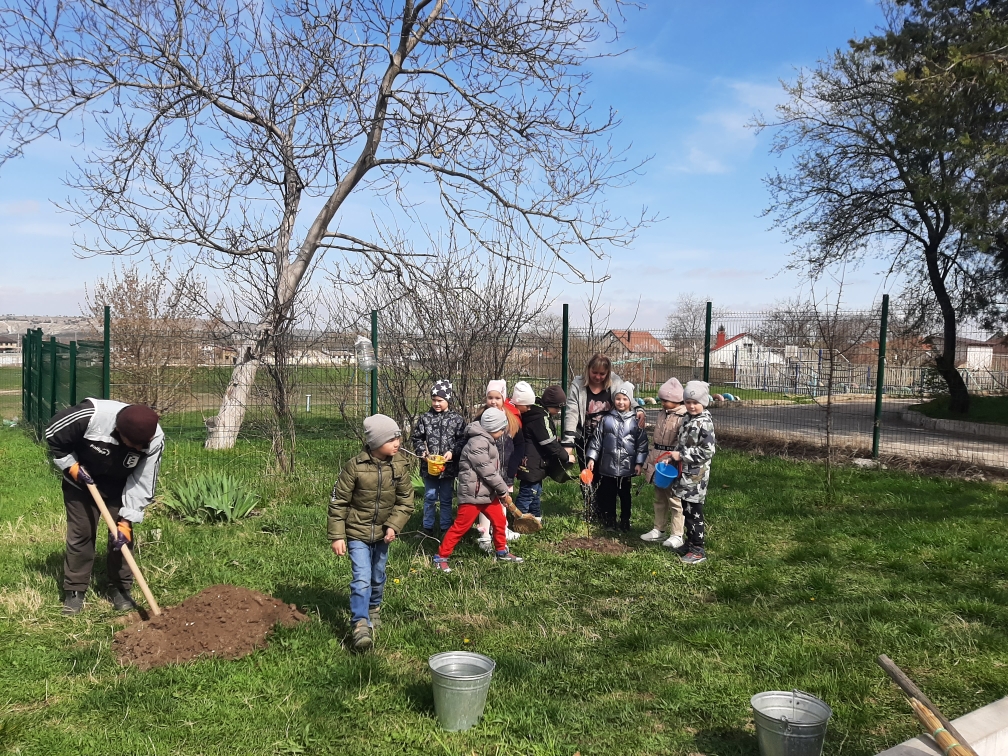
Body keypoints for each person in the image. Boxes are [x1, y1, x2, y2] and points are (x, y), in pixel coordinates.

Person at [44, 399, 164, 616]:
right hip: (81, 481)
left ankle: (120, 589)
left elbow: (144, 480)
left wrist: (127, 521)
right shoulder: (90, 417)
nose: (138, 449)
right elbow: (54, 434)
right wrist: (70, 465)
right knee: (81, 533)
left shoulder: (153, 438)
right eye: (133, 444)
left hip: (121, 485)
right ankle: (75, 590)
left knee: (121, 538)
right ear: (118, 431)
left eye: (142, 445)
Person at [328, 414, 414, 651]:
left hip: (384, 534)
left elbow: (406, 501)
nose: (397, 442)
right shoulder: (355, 467)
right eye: (391, 438)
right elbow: (338, 502)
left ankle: (374, 608)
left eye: (398, 436)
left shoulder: (399, 465)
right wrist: (338, 535)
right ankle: (359, 624)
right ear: (375, 442)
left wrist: (393, 526)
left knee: (378, 575)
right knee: (362, 578)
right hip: (357, 532)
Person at [432, 408, 524, 572]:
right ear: (493, 429)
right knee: (461, 526)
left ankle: (501, 550)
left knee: (500, 521)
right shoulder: (477, 443)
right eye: (502, 429)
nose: (503, 432)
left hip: (487, 494)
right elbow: (487, 471)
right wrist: (503, 490)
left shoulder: (487, 440)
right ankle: (440, 557)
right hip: (473, 496)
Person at [560, 354, 646, 467]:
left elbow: (627, 397)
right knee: (587, 474)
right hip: (586, 439)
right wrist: (568, 443)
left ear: (608, 372)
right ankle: (588, 485)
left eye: (602, 374)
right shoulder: (578, 384)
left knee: (607, 473)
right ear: (588, 369)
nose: (597, 377)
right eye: (594, 372)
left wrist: (638, 409)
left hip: (610, 437)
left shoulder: (615, 381)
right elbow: (572, 413)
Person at [584, 382, 649, 531]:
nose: (621, 402)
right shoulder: (606, 420)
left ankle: (625, 520)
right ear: (614, 400)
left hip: (627, 467)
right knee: (609, 495)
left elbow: (642, 444)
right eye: (618, 399)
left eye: (625, 399)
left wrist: (639, 463)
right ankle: (610, 519)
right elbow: (597, 440)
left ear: (630, 401)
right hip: (608, 466)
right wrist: (592, 458)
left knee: (625, 495)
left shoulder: (635, 422)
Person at [667, 381, 716, 564]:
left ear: (704, 402)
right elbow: (682, 443)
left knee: (694, 511)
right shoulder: (687, 419)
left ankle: (698, 548)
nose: (692, 406)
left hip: (696, 476)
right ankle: (690, 542)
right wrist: (672, 457)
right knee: (686, 510)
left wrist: (682, 455)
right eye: (688, 402)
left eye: (696, 402)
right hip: (684, 473)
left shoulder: (705, 423)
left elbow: (707, 451)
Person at [411, 379, 467, 537]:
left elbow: (463, 439)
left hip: (447, 467)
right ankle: (426, 528)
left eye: (440, 400)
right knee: (429, 496)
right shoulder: (425, 418)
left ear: (448, 400)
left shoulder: (456, 420)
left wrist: (453, 452)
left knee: (446, 497)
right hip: (429, 466)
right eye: (434, 400)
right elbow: (416, 438)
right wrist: (422, 452)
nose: (436, 403)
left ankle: (445, 527)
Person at [475, 379, 524, 551]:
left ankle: (501, 530)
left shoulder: (511, 419)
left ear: (503, 398)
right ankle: (484, 536)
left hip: (505, 471)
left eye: (497, 397)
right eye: (490, 397)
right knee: (486, 501)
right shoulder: (481, 418)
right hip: (486, 470)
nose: (493, 401)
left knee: (503, 502)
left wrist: (512, 467)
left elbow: (520, 445)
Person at [639, 378, 689, 549]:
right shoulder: (662, 413)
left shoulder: (684, 416)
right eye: (661, 400)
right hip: (657, 459)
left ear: (676, 400)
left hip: (672, 462)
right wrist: (649, 460)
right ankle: (658, 530)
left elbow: (682, 442)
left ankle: (677, 534)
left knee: (675, 499)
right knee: (659, 497)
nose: (662, 403)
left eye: (665, 400)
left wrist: (674, 459)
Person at [512, 382, 569, 523]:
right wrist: (565, 456)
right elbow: (548, 442)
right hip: (532, 463)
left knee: (536, 492)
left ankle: (535, 519)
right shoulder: (540, 417)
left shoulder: (537, 412)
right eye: (558, 408)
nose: (558, 412)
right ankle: (519, 522)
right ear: (551, 405)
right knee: (527, 493)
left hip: (535, 462)